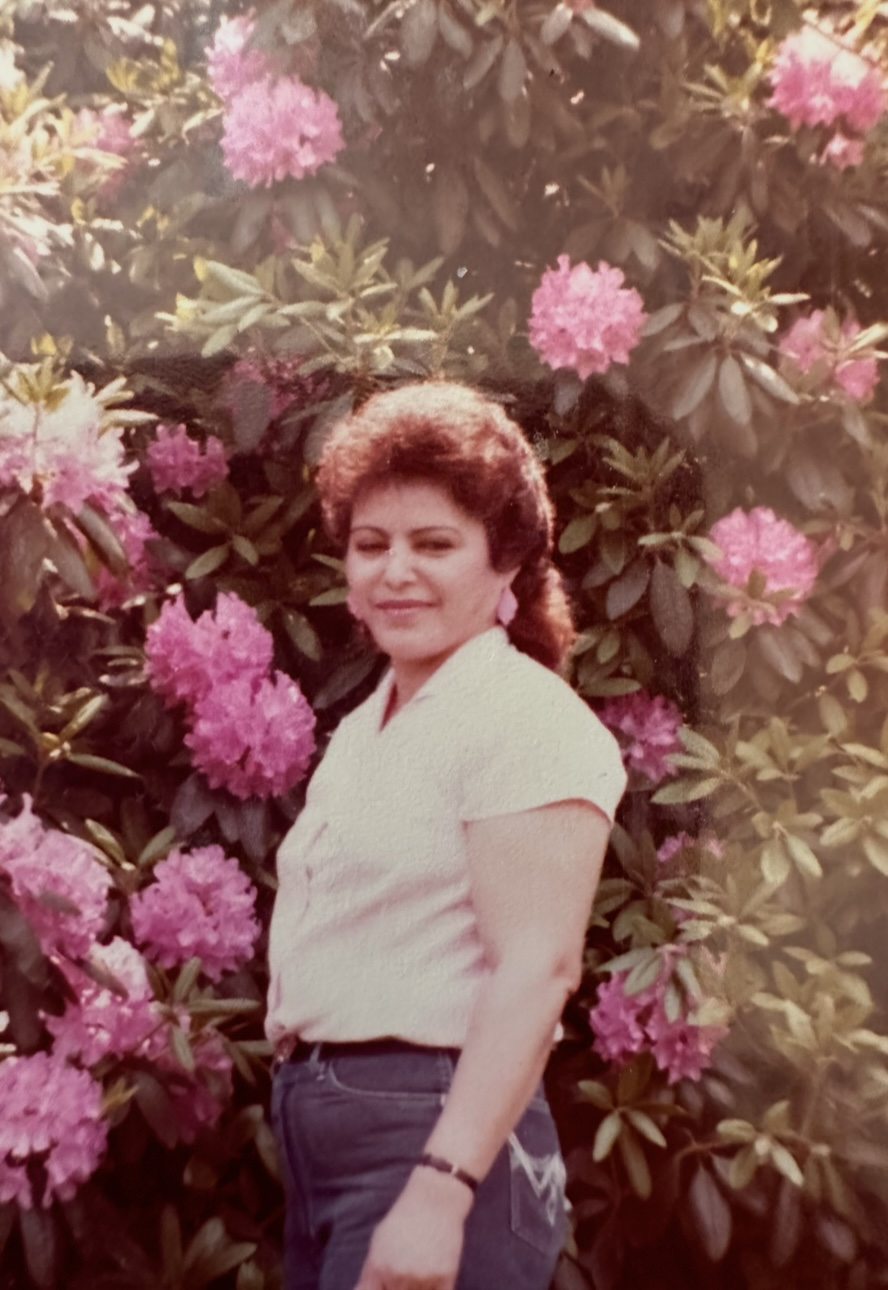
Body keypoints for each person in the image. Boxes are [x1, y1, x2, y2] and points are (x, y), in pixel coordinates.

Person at [265, 381, 627, 1290]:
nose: (395, 573)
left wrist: (440, 1185)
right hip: (327, 1143)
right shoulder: (367, 724)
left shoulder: (519, 716)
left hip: (433, 1144)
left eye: (434, 545)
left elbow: (537, 969)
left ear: (503, 564)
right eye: (370, 545)